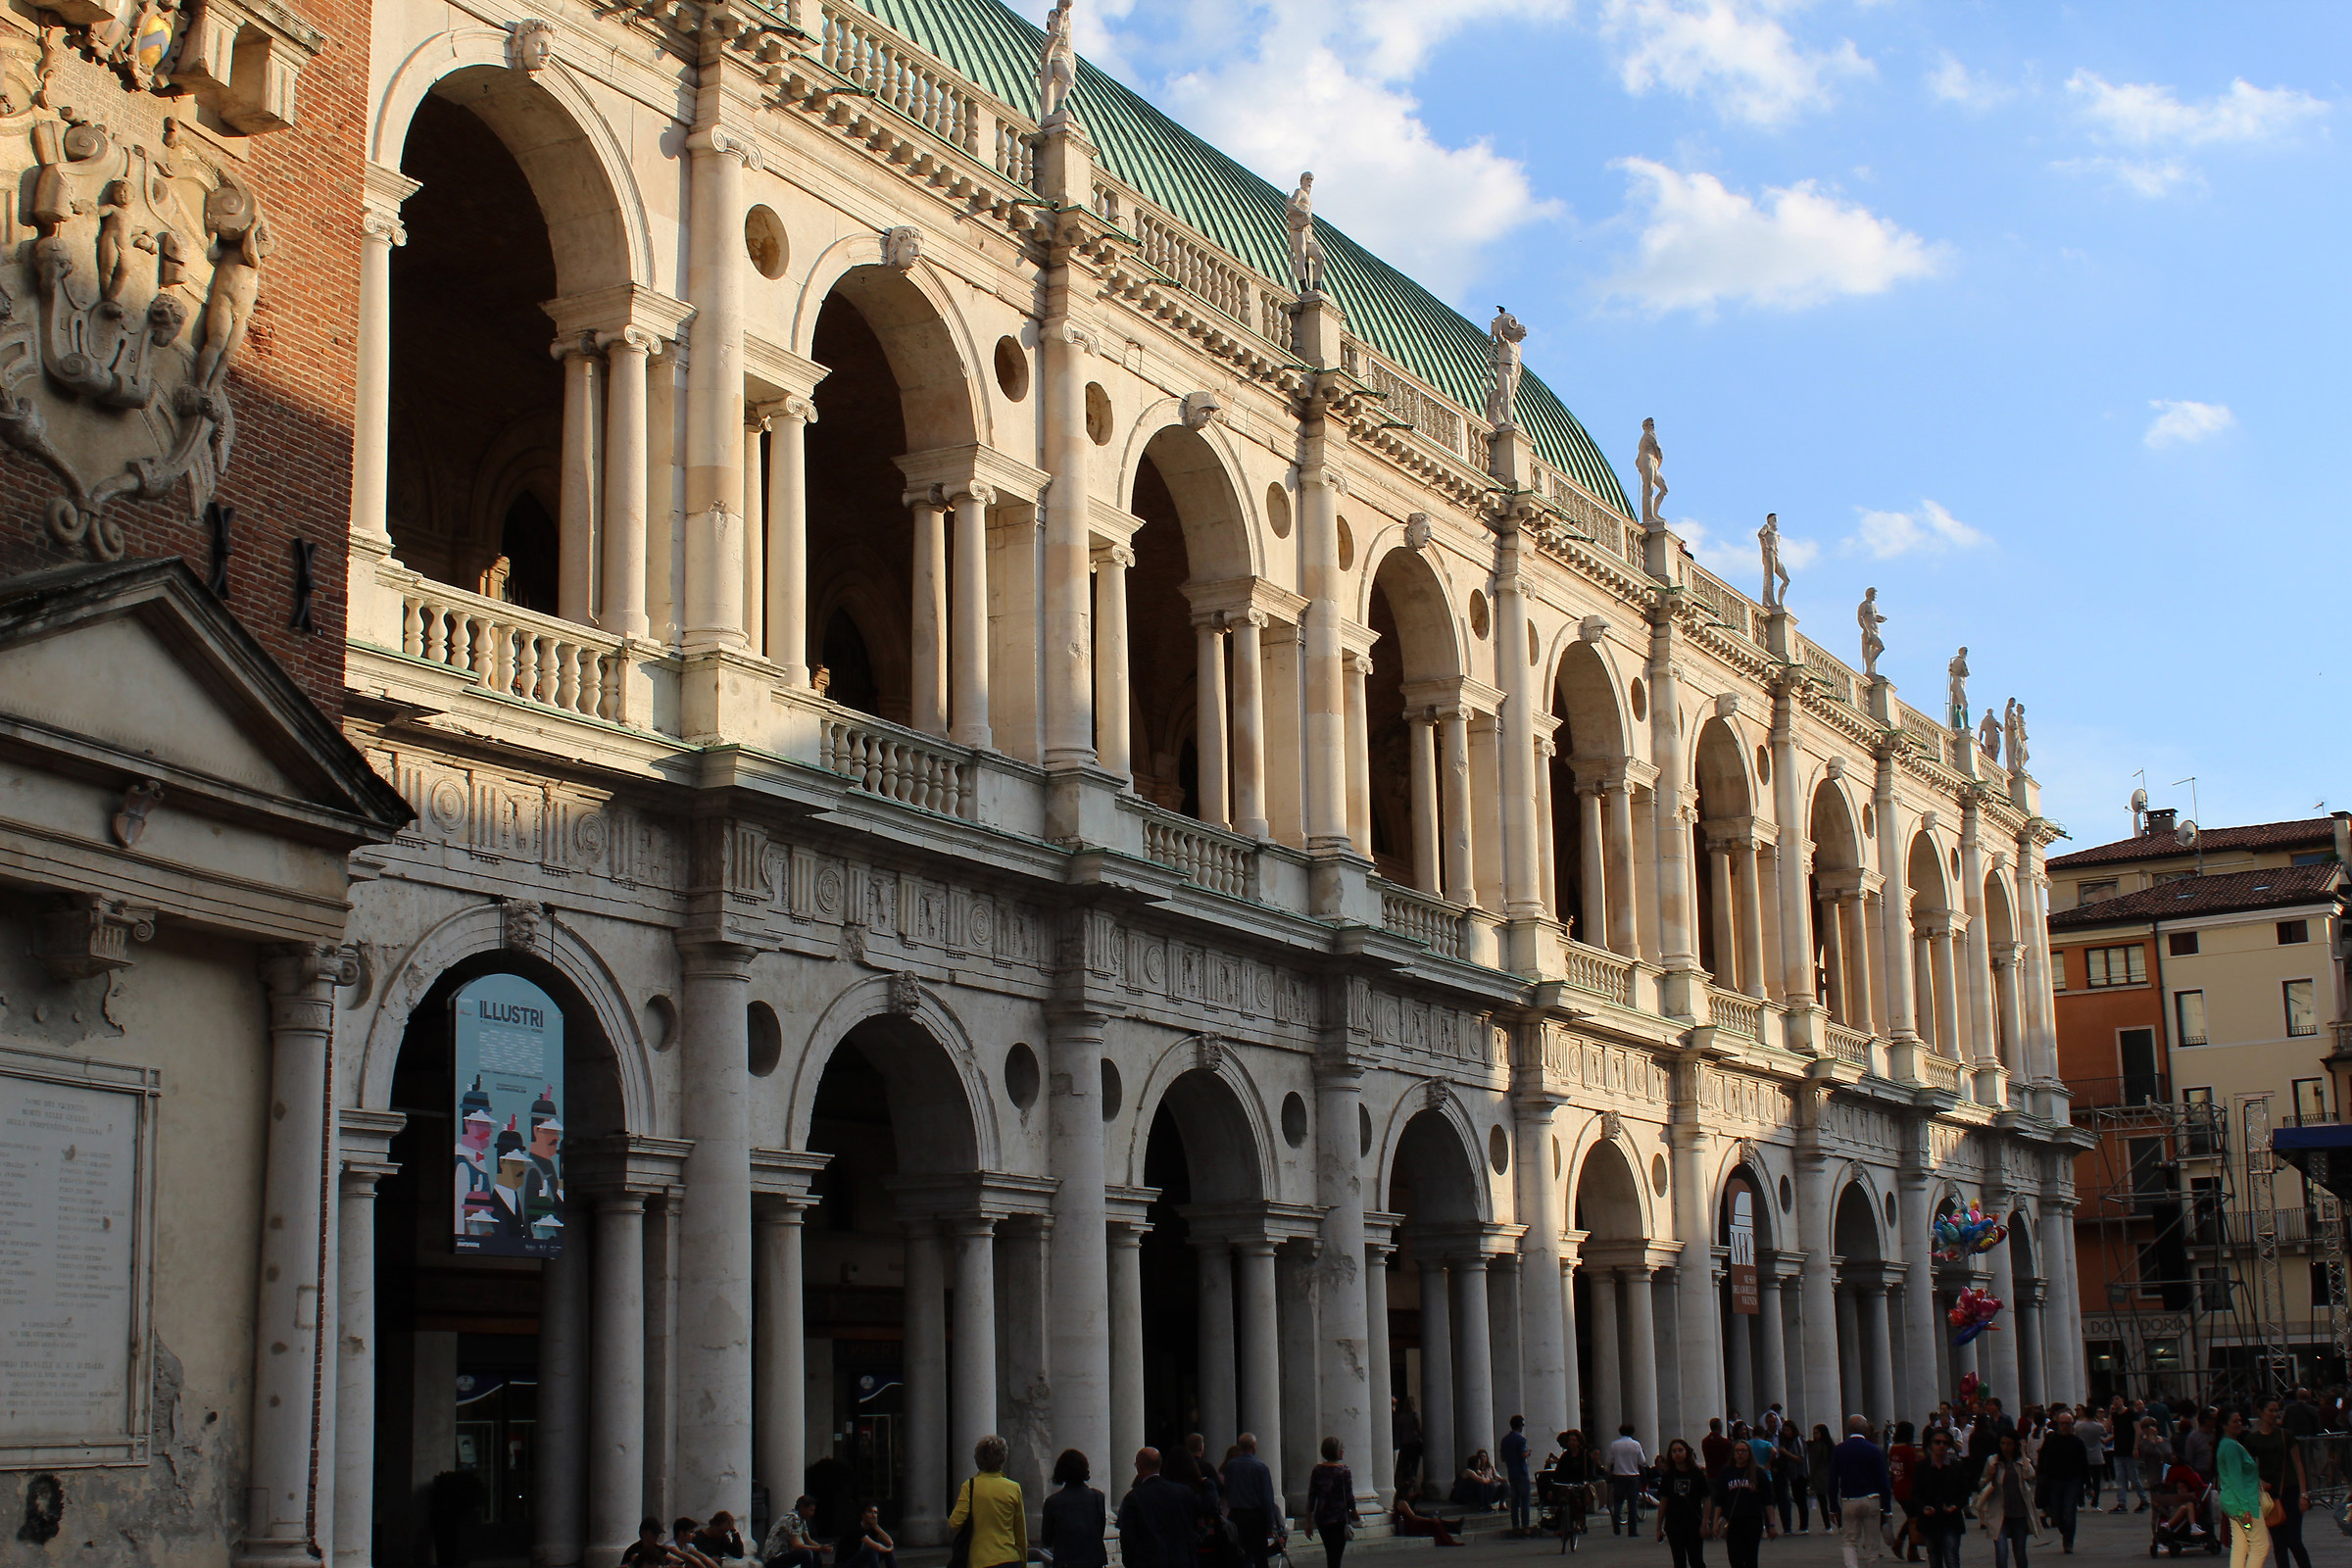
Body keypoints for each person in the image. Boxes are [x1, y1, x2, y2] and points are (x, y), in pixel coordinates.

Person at [2242, 1398, 2309, 1568]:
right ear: (2260, 1412)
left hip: (2290, 1490)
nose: (2275, 1414)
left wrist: (2304, 1493)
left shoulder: (2286, 1435)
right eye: (2271, 1410)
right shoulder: (2253, 1439)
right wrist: (2259, 1481)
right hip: (2269, 1494)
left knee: (2294, 1540)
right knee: (2279, 1543)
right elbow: (2246, 1468)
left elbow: (2298, 1464)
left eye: (2277, 1410)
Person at [951, 1435, 1029, 1568]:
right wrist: (1023, 1561)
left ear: (978, 1459)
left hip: (980, 1560)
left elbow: (955, 1522)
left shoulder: (970, 1486)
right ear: (1003, 1459)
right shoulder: (1014, 1488)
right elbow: (1020, 1531)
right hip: (1010, 1558)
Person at [1119, 1448, 1202, 1568]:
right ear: (1161, 1465)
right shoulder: (1183, 1492)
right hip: (1181, 1560)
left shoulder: (1134, 1497)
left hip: (1147, 1561)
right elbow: (1193, 1527)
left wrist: (1131, 1562)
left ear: (1139, 1467)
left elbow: (1128, 1537)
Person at [1830, 1415, 1891, 1568]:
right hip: (1871, 1499)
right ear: (1865, 1430)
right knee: (1872, 1542)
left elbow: (1832, 1480)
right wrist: (1887, 1508)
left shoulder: (1840, 1449)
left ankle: (1852, 1566)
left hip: (1849, 1500)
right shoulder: (1874, 1450)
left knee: (1849, 1541)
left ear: (1848, 1429)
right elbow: (1883, 1481)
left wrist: (1833, 1507)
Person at [2217, 1407, 2270, 1568]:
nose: (2239, 1424)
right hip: (2245, 1506)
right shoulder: (2232, 1446)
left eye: (2239, 1420)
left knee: (2241, 1544)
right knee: (2260, 1546)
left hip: (2234, 1506)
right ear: (2224, 1425)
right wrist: (2245, 1509)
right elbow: (2236, 1479)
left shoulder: (2226, 1444)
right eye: (2235, 1421)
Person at [1716, 1438, 1780, 1568]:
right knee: (1735, 1559)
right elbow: (1719, 1500)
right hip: (1733, 1521)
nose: (1740, 1454)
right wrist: (1715, 1522)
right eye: (1737, 1451)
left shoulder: (1758, 1473)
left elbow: (1768, 1501)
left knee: (1751, 1558)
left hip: (1753, 1520)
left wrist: (1772, 1524)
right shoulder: (1726, 1473)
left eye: (1743, 1451)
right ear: (1733, 1454)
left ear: (1749, 1453)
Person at [1911, 1428, 1970, 1568]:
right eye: (1938, 1442)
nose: (1941, 1446)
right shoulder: (1922, 1467)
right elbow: (1915, 1493)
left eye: (1945, 1443)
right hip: (1930, 1521)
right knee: (1934, 1558)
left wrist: (1955, 1506)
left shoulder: (1956, 1467)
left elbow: (1965, 1493)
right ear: (1931, 1445)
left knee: (1951, 1557)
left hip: (1951, 1521)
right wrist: (1923, 1508)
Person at [1977, 1431, 2036, 1568]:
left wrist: (2023, 1454)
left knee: (2020, 1552)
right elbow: (1980, 1484)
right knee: (2001, 1552)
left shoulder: (2021, 1461)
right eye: (2002, 1443)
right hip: (1999, 1512)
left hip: (2019, 1513)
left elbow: (2030, 1475)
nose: (2005, 1447)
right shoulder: (1993, 1461)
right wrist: (1989, 1476)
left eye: (2009, 1444)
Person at [1044, 1450, 1110, 1568]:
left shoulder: (1052, 1502)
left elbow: (1047, 1539)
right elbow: (1100, 1530)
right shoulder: (1097, 1497)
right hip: (1094, 1561)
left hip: (1066, 1562)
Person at [1222, 1435, 1280, 1568]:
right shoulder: (1261, 1468)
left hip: (1236, 1515)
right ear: (1254, 1446)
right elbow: (1267, 1498)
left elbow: (1228, 1491)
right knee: (1260, 1557)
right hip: (1255, 1517)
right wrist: (1270, 1524)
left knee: (1240, 1555)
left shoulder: (1230, 1466)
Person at [1303, 1438, 1361, 1568]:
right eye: (1341, 1448)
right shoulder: (1344, 1471)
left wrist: (1308, 1520)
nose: (1343, 1450)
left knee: (1330, 1551)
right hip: (1339, 1517)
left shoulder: (1317, 1470)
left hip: (1322, 1517)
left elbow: (1312, 1496)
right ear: (1336, 1451)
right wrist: (1355, 1512)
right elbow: (1349, 1495)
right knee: (1336, 1554)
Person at [2035, 1410, 2087, 1554]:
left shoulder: (2077, 1443)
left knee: (2069, 1512)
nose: (2064, 1426)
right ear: (2058, 1424)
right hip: (2054, 1481)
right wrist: (2040, 1476)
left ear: (2072, 1425)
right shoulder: (2051, 1440)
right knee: (2056, 1514)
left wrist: (2087, 1485)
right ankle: (2065, 1531)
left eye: (2068, 1424)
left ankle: (2068, 1540)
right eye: (2062, 1423)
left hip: (2072, 1481)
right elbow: (2043, 1459)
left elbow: (2084, 1464)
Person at [1655, 1439, 1713, 1568]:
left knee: (1696, 1560)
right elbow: (1663, 1502)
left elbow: (1707, 1499)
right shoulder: (1668, 1476)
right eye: (1674, 1451)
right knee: (1679, 1561)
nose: (1677, 1454)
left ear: (1687, 1452)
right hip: (1674, 1524)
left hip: (1694, 1523)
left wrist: (1705, 1522)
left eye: (1680, 1450)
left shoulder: (1697, 1473)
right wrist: (1659, 1527)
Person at [1552, 1428, 1595, 1550]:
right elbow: (1558, 1472)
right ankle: (1560, 1523)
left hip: (1580, 1483)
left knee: (1578, 1499)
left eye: (1574, 1440)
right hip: (1567, 1484)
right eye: (1569, 1440)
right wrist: (1554, 1484)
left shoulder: (1585, 1455)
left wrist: (1587, 1481)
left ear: (1579, 1442)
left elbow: (1590, 1470)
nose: (1571, 1442)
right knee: (1563, 1498)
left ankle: (1579, 1522)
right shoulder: (1565, 1456)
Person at [1887, 1422, 1922, 1563]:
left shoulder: (1893, 1450)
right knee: (1915, 1519)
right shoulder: (1908, 1451)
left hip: (1898, 1488)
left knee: (1912, 1518)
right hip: (1910, 1489)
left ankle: (1908, 1548)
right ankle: (1905, 1546)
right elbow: (1914, 1471)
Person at [759, 1498, 825, 1568]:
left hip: (784, 1555)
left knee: (816, 1552)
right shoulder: (793, 1519)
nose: (812, 1514)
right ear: (802, 1508)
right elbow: (796, 1545)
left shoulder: (802, 1520)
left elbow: (808, 1540)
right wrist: (819, 1548)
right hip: (773, 1559)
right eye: (811, 1510)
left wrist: (821, 1547)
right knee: (806, 1553)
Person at [1608, 1424, 1649, 1535]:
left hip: (1618, 1475)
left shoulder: (1614, 1445)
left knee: (1618, 1501)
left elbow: (1610, 1460)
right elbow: (1642, 1460)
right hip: (1633, 1475)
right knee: (1632, 1503)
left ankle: (1616, 1519)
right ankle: (1632, 1530)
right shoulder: (1636, 1444)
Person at [1502, 1414, 1535, 1536]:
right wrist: (1528, 1453)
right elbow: (1523, 1455)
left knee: (1514, 1501)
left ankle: (1515, 1525)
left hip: (1511, 1472)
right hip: (1521, 1472)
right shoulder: (1521, 1439)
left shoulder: (1505, 1440)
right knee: (1525, 1500)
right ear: (1520, 1426)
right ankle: (1525, 1526)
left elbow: (1502, 1457)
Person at [1393, 1494, 1466, 1547]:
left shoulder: (1407, 1502)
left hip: (1411, 1523)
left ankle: (1453, 1527)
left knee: (1435, 1520)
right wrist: (1428, 1519)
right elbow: (1413, 1516)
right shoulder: (1402, 1502)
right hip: (1408, 1527)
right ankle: (1452, 1531)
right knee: (1432, 1522)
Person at [1779, 1420, 1812, 1536]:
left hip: (1800, 1474)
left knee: (1801, 1500)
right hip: (1793, 1474)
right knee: (1798, 1500)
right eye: (1784, 1430)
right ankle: (1802, 1525)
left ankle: (1804, 1526)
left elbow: (1800, 1458)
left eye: (1788, 1430)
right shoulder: (1790, 1441)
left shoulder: (1797, 1441)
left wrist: (1786, 1453)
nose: (1786, 1433)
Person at [1808, 1424, 1839, 1531]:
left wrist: (1810, 1478)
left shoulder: (1818, 1446)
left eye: (1816, 1433)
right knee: (1834, 1502)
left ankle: (1828, 1527)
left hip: (1820, 1477)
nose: (1814, 1435)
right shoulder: (1831, 1445)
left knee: (1823, 1503)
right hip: (1830, 1476)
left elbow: (1814, 1464)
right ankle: (1840, 1525)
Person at [2076, 1408, 2107, 1511]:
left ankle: (2081, 1503)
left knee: (2080, 1481)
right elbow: (2104, 1435)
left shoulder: (2078, 1426)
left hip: (2082, 1456)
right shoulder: (2099, 1426)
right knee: (2097, 1481)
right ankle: (2095, 1503)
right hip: (2096, 1456)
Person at [1395, 1397, 1425, 1498]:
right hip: (1415, 1443)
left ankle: (1407, 1489)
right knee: (1414, 1467)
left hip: (1405, 1444)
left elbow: (1400, 1431)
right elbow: (1418, 1428)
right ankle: (1413, 1489)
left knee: (1406, 1467)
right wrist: (1424, 1438)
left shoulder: (1401, 1417)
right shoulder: (1414, 1415)